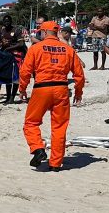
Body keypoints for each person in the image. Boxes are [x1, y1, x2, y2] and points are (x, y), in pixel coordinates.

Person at [20, 21, 85, 171]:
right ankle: (55, 163)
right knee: (59, 127)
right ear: (57, 32)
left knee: (31, 123)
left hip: (42, 88)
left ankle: (38, 149)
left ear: (43, 32)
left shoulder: (36, 48)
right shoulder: (68, 49)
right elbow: (79, 74)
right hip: (61, 89)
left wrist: (22, 89)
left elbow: (25, 71)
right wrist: (78, 92)